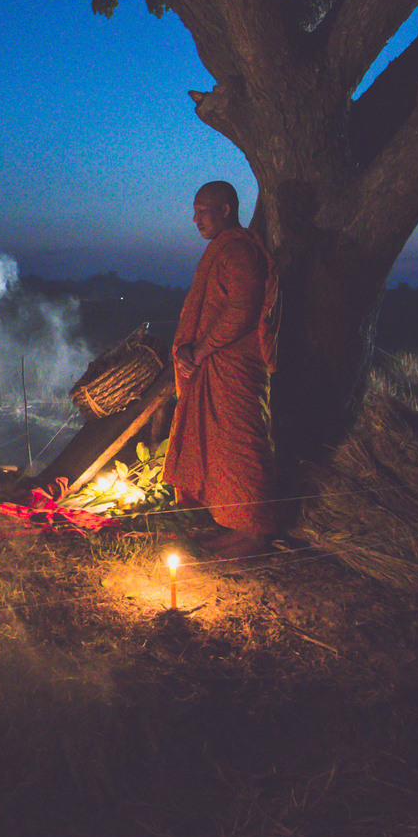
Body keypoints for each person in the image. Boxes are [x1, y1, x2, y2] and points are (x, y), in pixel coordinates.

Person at [167, 181, 278, 558]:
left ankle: (254, 533)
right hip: (213, 364)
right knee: (221, 449)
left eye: (202, 211)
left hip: (235, 367)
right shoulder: (222, 250)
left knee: (242, 446)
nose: (195, 219)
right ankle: (233, 525)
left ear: (226, 210)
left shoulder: (242, 252)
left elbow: (242, 313)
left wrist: (199, 351)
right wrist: (188, 349)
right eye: (195, 211)